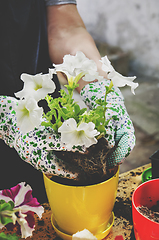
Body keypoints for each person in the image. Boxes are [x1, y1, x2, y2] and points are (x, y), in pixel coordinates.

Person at [0, 0, 108, 203]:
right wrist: (3, 114)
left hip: (41, 107)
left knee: (42, 202)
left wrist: (99, 86)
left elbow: (65, 28)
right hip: (15, 110)